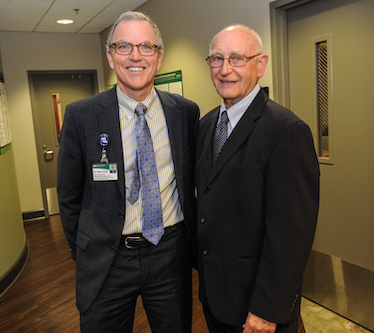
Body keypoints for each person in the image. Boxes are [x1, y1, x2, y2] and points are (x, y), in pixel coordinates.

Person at [57, 11, 199, 333]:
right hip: (107, 260)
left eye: (146, 47)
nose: (136, 56)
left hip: (169, 254)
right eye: (124, 47)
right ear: (110, 56)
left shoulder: (185, 113)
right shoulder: (82, 116)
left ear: (158, 56)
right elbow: (68, 195)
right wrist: (85, 246)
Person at [195, 24, 320, 333]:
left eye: (237, 58)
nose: (225, 70)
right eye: (216, 58)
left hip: (258, 308)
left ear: (260, 65)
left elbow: (291, 236)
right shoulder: (207, 125)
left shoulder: (286, 131)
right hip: (216, 297)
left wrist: (267, 309)